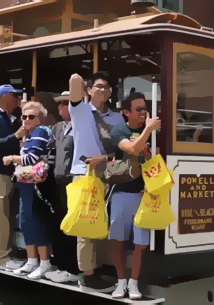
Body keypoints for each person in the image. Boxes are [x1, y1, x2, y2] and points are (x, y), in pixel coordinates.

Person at [67, 72, 124, 292]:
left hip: (110, 174)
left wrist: (107, 159)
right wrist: (81, 81)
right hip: (84, 174)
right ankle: (87, 275)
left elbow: (121, 149)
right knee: (85, 224)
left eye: (106, 87)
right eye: (98, 86)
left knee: (103, 224)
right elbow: (73, 80)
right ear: (88, 90)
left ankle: (99, 268)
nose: (103, 90)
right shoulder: (79, 110)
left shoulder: (117, 118)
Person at [108, 93, 161, 300]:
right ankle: (120, 282)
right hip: (121, 192)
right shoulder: (119, 130)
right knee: (118, 240)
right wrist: (148, 129)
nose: (143, 112)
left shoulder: (155, 131)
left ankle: (134, 283)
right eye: (138, 109)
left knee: (140, 243)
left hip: (145, 194)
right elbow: (130, 148)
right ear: (126, 112)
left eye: (144, 108)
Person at [2, 102, 55, 280]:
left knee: (35, 222)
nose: (26, 120)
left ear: (40, 118)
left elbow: (31, 158)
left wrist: (11, 158)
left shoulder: (40, 132)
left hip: (36, 185)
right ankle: (32, 261)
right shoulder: (31, 135)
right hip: (27, 184)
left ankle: (44, 262)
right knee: (26, 222)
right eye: (24, 117)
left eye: (31, 117)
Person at [0, 84, 28, 271]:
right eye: (14, 96)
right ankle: (1, 258)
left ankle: (7, 255)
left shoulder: (13, 119)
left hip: (10, 173)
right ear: (2, 97)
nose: (17, 99)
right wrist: (16, 135)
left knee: (7, 216)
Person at [44, 91, 81, 283]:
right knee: (58, 223)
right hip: (56, 182)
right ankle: (61, 264)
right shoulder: (57, 127)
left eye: (66, 103)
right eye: (60, 104)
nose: (61, 107)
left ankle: (71, 267)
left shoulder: (81, 127)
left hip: (72, 181)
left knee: (71, 224)